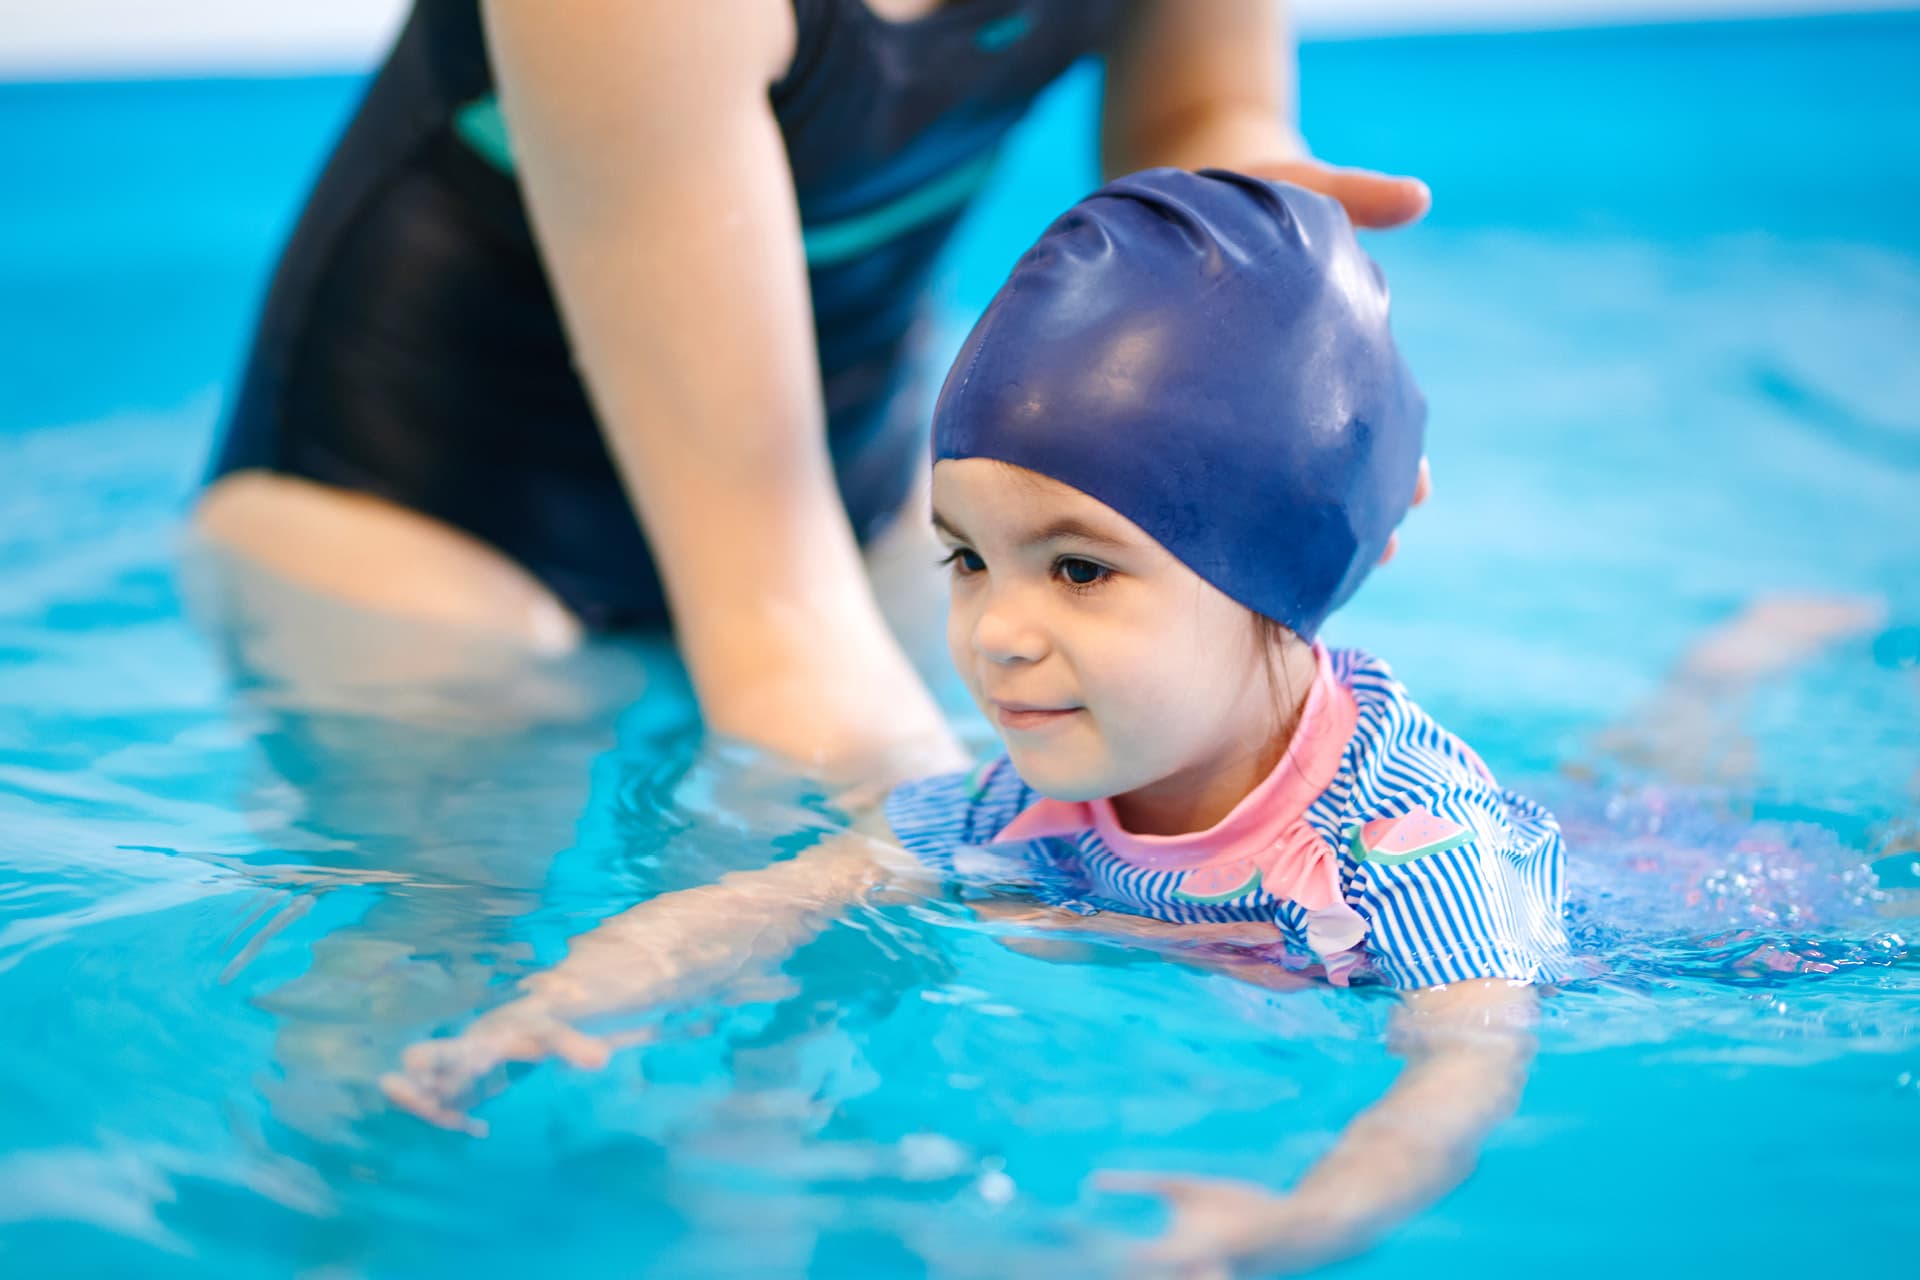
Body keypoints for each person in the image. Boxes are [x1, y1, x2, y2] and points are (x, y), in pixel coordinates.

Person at [382, 170, 1568, 1274]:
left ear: (1281, 567)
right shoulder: (1033, 794)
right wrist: (548, 1011)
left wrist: (1302, 1216)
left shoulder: (1409, 837)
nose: (996, 631)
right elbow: (781, 895)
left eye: (1081, 571)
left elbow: (1463, 1062)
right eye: (967, 558)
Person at [192, 0, 1431, 784]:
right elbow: (777, 620)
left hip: (858, 469)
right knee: (423, 988)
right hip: (422, 503)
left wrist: (1248, 263)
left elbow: (1198, 106)